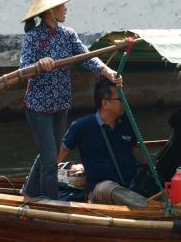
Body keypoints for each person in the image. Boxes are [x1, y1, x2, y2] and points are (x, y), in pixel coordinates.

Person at [20, 0, 120, 200]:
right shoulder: (33, 37)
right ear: (50, 11)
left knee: (51, 153)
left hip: (61, 102)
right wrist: (39, 63)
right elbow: (24, 69)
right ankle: (50, 203)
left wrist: (106, 70)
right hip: (38, 105)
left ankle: (29, 192)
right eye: (62, 6)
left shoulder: (68, 34)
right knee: (50, 159)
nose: (65, 9)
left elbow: (86, 57)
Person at [58, 80, 147, 208]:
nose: (125, 103)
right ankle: (150, 207)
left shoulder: (127, 123)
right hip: (100, 191)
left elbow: (131, 149)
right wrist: (43, 180)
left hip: (131, 185)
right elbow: (59, 154)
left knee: (148, 173)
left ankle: (159, 202)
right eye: (120, 99)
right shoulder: (82, 126)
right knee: (106, 187)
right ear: (105, 103)